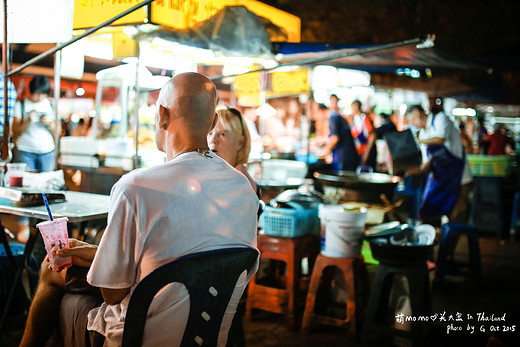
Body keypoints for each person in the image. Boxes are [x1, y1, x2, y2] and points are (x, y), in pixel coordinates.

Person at [20, 72, 260, 347]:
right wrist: (91, 253)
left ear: (162, 115)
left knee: (54, 275)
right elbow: (172, 260)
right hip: (207, 336)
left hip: (136, 336)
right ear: (213, 122)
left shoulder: (136, 187)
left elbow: (112, 293)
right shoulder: (244, 190)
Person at [406, 103, 472, 222]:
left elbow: (440, 139)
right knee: (427, 212)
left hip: (460, 179)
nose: (412, 124)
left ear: (417, 112)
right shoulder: (422, 133)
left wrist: (418, 141)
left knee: (455, 217)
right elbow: (427, 163)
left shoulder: (440, 119)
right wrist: (418, 171)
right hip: (441, 179)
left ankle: (451, 240)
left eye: (411, 120)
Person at [12, 76, 57, 172]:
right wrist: (28, 120)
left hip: (47, 151)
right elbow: (15, 131)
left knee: (46, 182)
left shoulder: (51, 105)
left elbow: (57, 131)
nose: (40, 97)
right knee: (28, 183)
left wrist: (47, 123)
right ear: (31, 91)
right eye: (37, 93)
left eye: (43, 94)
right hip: (25, 151)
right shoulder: (21, 105)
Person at [208, 106, 257, 193]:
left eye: (222, 134)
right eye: (210, 133)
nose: (213, 140)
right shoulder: (216, 176)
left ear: (240, 142)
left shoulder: (241, 185)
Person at [320, 94, 359, 171]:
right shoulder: (338, 117)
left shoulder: (333, 117)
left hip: (343, 159)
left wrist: (323, 152)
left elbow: (335, 139)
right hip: (350, 157)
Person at [349, 99, 376, 169]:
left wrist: (366, 153)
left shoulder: (364, 118)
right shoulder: (354, 119)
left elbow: (372, 136)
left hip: (367, 151)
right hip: (359, 151)